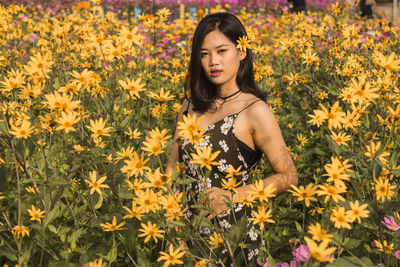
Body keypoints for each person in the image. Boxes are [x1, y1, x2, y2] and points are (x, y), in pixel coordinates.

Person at [166, 12, 298, 264]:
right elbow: (172, 170)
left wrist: (235, 195)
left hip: (235, 240)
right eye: (204, 54)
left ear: (241, 51)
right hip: (189, 240)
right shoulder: (190, 105)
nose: (213, 61)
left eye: (222, 50)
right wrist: (173, 228)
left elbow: (289, 176)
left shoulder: (254, 110)